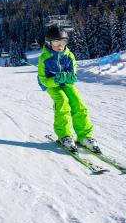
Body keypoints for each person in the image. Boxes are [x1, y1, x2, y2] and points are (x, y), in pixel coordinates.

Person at [37, 25, 100, 153]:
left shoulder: (69, 56)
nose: (60, 45)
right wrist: (55, 80)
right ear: (49, 43)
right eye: (56, 42)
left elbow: (73, 73)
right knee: (62, 101)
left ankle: (85, 136)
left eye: (63, 42)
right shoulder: (44, 58)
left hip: (65, 83)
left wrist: (71, 78)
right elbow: (43, 79)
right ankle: (64, 135)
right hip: (50, 84)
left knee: (78, 102)